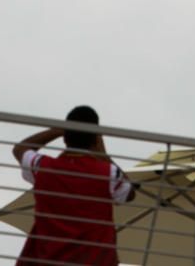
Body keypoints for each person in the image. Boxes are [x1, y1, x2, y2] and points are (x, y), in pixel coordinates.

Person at [12, 106, 136, 266]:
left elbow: (20, 149)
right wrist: (103, 155)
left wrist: (57, 130)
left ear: (65, 137)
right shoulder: (108, 173)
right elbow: (129, 193)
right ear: (95, 139)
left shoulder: (43, 167)